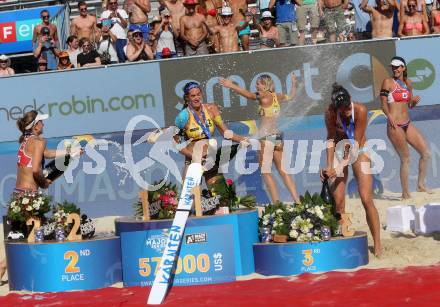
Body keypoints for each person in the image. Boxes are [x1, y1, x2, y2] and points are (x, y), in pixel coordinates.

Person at [220, 74, 301, 204]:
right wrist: (294, 84)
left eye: (258, 83)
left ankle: (276, 204)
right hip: (277, 137)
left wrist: (231, 86)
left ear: (265, 85)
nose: (256, 86)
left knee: (266, 172)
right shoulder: (277, 96)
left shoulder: (263, 95)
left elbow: (249, 95)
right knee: (284, 171)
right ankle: (297, 201)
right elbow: (291, 96)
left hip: (266, 138)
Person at [321, 83, 381, 256]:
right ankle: (344, 240)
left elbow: (354, 145)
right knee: (338, 200)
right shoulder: (330, 113)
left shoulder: (361, 110)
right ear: (336, 108)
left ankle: (377, 244)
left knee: (366, 197)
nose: (347, 111)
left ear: (350, 101)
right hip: (340, 150)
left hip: (359, 150)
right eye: (343, 109)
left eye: (348, 107)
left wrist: (339, 167)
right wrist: (330, 165)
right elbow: (331, 138)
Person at [174, 81, 248, 189]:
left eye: (198, 94)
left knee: (221, 199)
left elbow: (226, 133)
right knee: (193, 201)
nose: (196, 98)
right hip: (193, 162)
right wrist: (193, 156)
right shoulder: (183, 116)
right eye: (193, 95)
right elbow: (175, 142)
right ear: (187, 98)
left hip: (211, 160)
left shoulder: (211, 109)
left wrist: (243, 139)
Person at [380, 56, 431, 199]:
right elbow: (383, 103)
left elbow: (409, 106)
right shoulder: (388, 82)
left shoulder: (408, 83)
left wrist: (413, 101)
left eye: (398, 67)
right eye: (393, 67)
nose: (395, 69)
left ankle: (420, 185)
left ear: (403, 68)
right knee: (406, 159)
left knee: (426, 153)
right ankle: (405, 193)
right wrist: (389, 116)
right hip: (394, 125)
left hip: (407, 123)